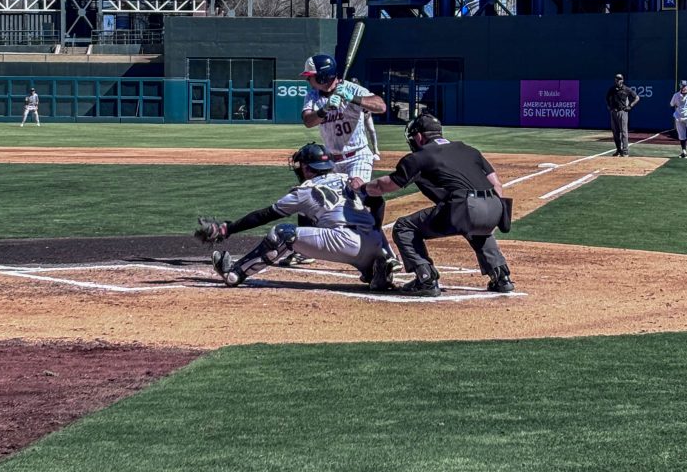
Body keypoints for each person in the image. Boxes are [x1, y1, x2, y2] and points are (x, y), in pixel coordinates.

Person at [194, 143, 395, 291]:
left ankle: (234, 273)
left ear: (308, 168)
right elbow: (378, 202)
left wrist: (227, 229)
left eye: (301, 165)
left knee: (282, 233)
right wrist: (376, 229)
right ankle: (374, 271)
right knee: (323, 224)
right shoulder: (349, 179)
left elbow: (264, 215)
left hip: (344, 242)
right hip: (375, 243)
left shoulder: (305, 190)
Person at [364, 113, 515, 298]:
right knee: (475, 227)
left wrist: (363, 187)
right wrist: (487, 213)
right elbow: (496, 185)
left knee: (404, 227)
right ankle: (502, 276)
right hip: (496, 206)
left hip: (466, 205)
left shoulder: (419, 157)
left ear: (419, 136)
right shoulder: (469, 150)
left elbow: (383, 186)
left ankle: (425, 278)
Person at [295, 53, 400, 271]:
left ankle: (384, 252)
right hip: (331, 161)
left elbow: (381, 106)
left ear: (323, 76)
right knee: (310, 194)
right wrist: (324, 110)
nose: (308, 80)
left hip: (357, 156)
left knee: (357, 196)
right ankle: (302, 251)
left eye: (311, 76)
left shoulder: (352, 89)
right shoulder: (313, 94)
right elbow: (307, 121)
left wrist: (353, 98)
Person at [605, 73, 639, 156]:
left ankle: (625, 152)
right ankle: (618, 150)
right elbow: (607, 98)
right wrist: (609, 106)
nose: (617, 80)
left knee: (624, 132)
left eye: (619, 79)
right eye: (616, 79)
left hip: (622, 112)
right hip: (614, 112)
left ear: (622, 80)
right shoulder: (612, 89)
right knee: (615, 132)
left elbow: (637, 98)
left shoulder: (626, 89)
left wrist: (630, 106)